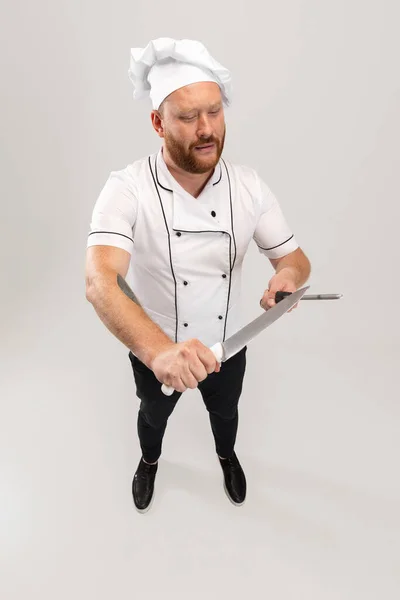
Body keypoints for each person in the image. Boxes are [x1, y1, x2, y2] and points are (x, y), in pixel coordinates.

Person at [85, 38, 311, 513]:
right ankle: (149, 461)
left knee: (225, 412)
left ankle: (226, 455)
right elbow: (101, 280)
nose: (206, 129)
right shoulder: (127, 188)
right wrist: (158, 351)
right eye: (187, 117)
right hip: (156, 347)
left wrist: (286, 278)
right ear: (157, 122)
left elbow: (294, 258)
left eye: (214, 112)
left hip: (229, 344)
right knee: (152, 414)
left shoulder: (249, 187)